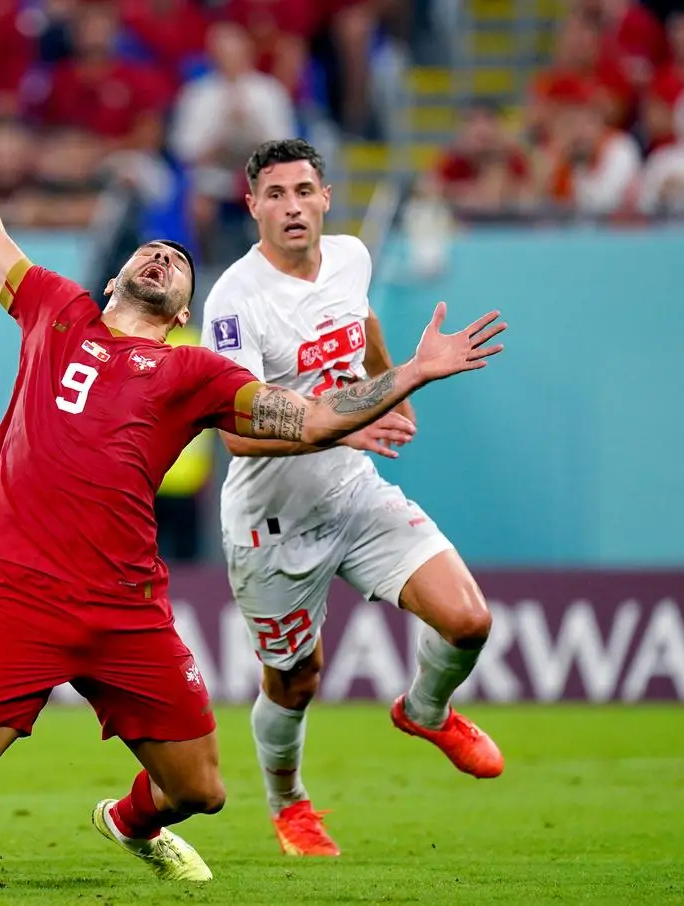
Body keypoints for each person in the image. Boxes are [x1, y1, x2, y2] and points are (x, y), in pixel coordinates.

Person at [0, 66, 505, 888]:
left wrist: (408, 375)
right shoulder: (53, 308)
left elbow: (315, 420)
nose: (161, 257)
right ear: (113, 280)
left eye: (177, 262)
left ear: (182, 310)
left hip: (126, 610)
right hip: (24, 601)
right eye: (149, 253)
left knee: (202, 791)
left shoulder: (193, 375)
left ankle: (132, 823)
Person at [200, 137, 506, 859]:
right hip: (270, 527)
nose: (292, 207)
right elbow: (237, 436)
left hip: (353, 493)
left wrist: (389, 377)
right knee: (296, 680)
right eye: (274, 195)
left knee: (468, 620)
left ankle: (426, 711)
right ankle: (290, 807)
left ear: (325, 197)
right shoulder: (233, 303)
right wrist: (349, 425)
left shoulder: (350, 257)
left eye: (303, 191)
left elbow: (360, 321)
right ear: (253, 208)